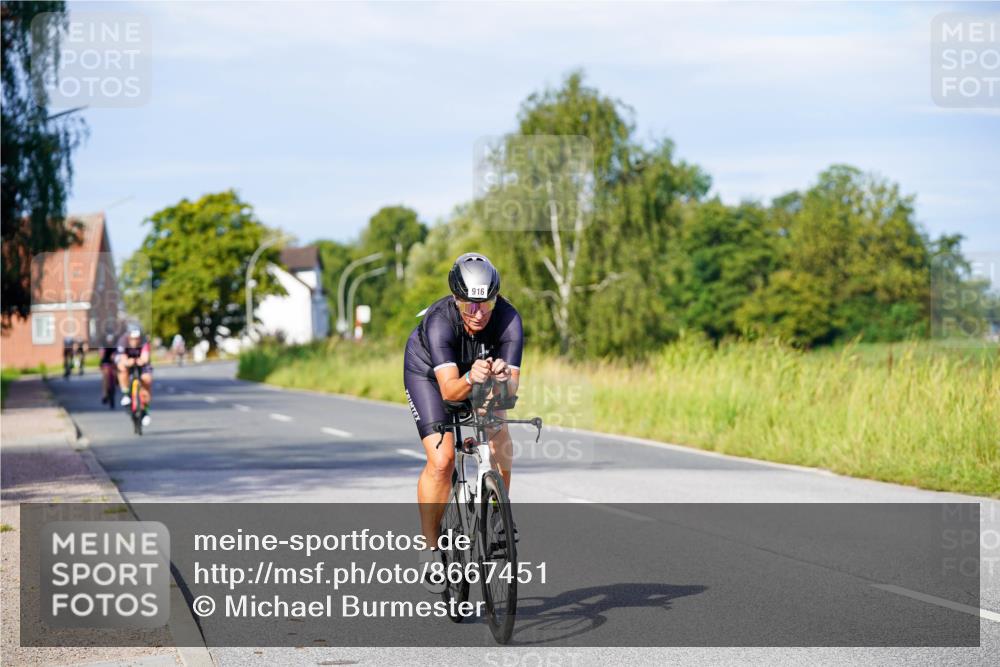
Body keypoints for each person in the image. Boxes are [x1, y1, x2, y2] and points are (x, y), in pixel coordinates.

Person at [403, 253, 523, 593]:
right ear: (456, 299)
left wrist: (500, 379)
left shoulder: (510, 319)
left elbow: (511, 391)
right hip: (429, 374)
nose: (478, 313)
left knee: (499, 428)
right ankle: (429, 550)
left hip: (477, 370)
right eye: (469, 304)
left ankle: (499, 517)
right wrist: (472, 376)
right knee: (442, 461)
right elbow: (451, 391)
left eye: (485, 303)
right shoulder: (440, 321)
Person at [116, 325, 153, 427]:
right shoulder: (123, 341)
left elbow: (145, 356)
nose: (135, 341)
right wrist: (128, 362)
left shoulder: (144, 340)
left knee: (147, 380)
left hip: (141, 362)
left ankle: (145, 410)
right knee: (121, 368)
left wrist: (141, 360)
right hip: (128, 361)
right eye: (132, 339)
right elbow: (122, 357)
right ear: (128, 337)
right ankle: (126, 394)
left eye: (137, 338)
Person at [99, 334, 117, 404]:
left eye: (111, 340)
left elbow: (118, 354)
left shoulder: (115, 346)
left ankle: (116, 383)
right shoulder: (104, 346)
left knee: (116, 373)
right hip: (105, 363)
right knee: (105, 376)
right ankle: (105, 394)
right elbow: (101, 356)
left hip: (114, 364)